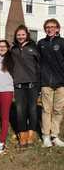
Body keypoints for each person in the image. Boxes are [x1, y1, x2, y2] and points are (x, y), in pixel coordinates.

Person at [11, 25, 40, 147]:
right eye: (18, 35)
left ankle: (31, 134)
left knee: (33, 110)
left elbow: (39, 67)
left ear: (27, 35)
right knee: (20, 110)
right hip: (18, 85)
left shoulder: (34, 48)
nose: (21, 37)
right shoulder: (13, 50)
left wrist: (39, 84)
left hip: (32, 84)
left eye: (23, 34)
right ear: (16, 36)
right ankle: (22, 135)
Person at [38, 18, 64, 147]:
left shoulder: (62, 42)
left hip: (61, 83)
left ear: (57, 29)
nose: (50, 29)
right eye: (47, 27)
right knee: (46, 110)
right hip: (46, 82)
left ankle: (55, 136)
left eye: (53, 27)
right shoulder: (41, 43)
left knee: (58, 110)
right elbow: (37, 62)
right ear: (45, 29)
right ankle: (46, 136)